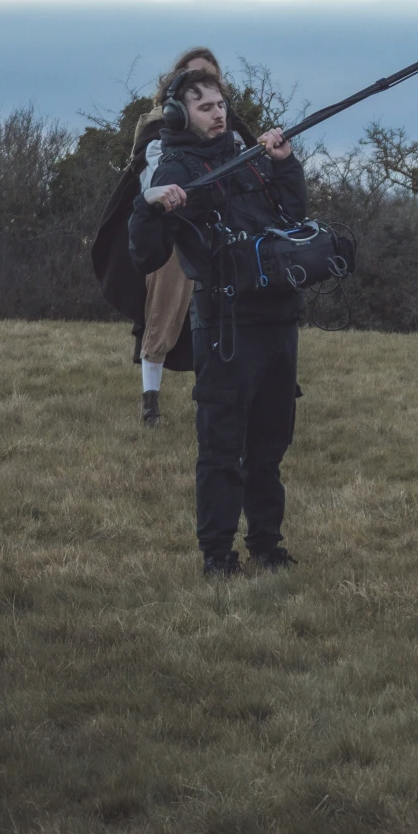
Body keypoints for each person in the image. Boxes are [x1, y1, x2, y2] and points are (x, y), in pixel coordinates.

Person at [128, 70, 306, 577]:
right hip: (226, 325)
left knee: (271, 443)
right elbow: (145, 253)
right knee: (223, 446)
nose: (219, 113)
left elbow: (294, 217)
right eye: (205, 106)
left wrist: (285, 162)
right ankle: (218, 555)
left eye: (221, 104)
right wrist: (151, 205)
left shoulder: (247, 157)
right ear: (181, 114)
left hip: (279, 318)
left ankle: (268, 545)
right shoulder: (173, 167)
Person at [92, 46, 224, 426]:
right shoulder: (157, 126)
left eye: (211, 80)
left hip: (218, 234)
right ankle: (151, 399)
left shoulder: (224, 125)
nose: (206, 92)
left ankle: (221, 394)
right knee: (165, 308)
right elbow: (151, 178)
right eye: (194, 78)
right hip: (173, 231)